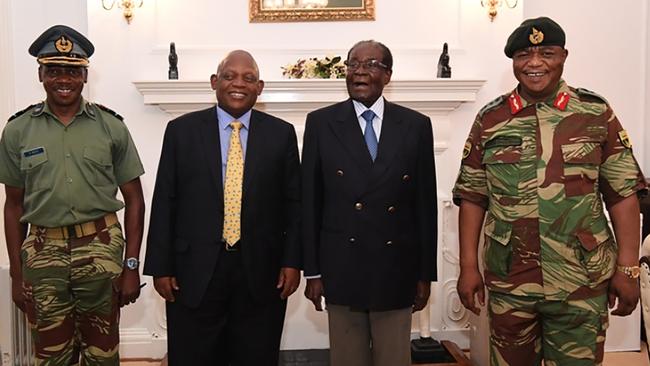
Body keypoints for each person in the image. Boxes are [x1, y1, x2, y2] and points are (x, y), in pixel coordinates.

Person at [453, 16, 647, 366]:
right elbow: (472, 197)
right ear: (513, 61)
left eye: (547, 52)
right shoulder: (490, 119)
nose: (535, 62)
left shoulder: (595, 112)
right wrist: (468, 266)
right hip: (510, 280)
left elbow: (623, 195)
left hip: (581, 279)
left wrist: (628, 268)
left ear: (564, 56)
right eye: (524, 54)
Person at [144, 50, 301, 365]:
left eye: (248, 78)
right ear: (215, 82)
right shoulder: (181, 131)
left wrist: (293, 261)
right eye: (229, 76)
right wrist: (161, 265)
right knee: (194, 355)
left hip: (261, 270)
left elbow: (293, 205)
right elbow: (165, 199)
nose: (238, 84)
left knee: (256, 354)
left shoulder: (281, 133)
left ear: (260, 86)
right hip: (194, 270)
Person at [0, 25, 145, 365]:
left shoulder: (111, 127)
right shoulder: (18, 130)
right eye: (54, 70)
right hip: (42, 253)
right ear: (41, 74)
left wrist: (132, 265)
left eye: (72, 71)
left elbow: (135, 199)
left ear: (84, 76)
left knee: (103, 355)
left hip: (101, 248)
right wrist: (17, 274)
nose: (63, 79)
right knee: (51, 357)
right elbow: (13, 205)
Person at [301, 40, 438, 366]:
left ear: (388, 75)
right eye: (353, 64)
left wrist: (424, 274)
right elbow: (310, 203)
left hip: (397, 268)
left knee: (394, 359)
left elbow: (425, 207)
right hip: (340, 267)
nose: (359, 71)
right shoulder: (321, 123)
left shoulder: (416, 126)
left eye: (371, 64)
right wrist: (313, 272)